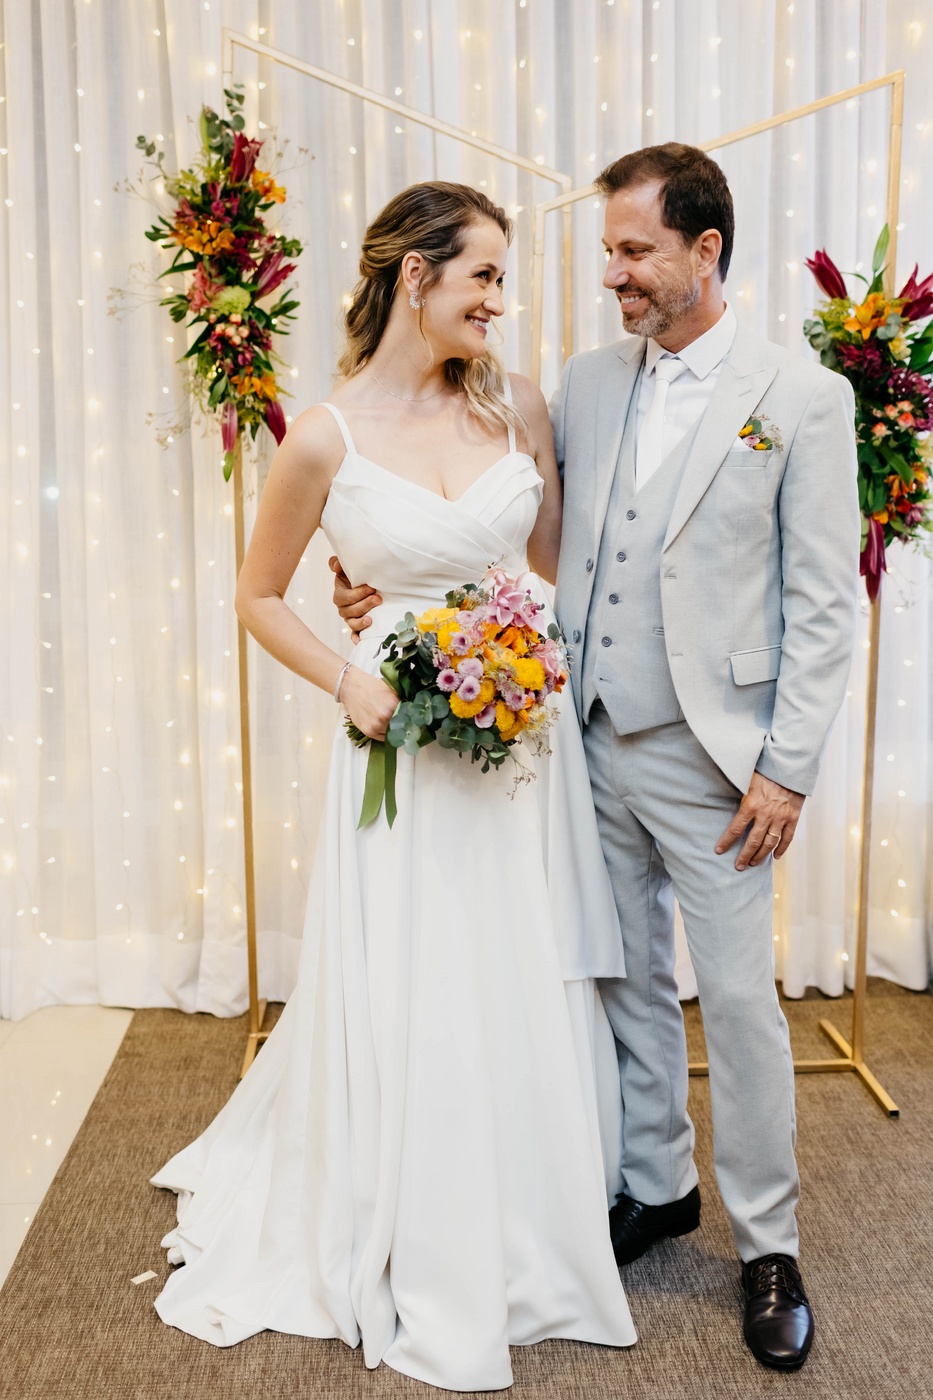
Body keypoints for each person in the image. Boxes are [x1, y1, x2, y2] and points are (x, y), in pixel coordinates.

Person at [334, 145, 860, 1373]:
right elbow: (520, 527)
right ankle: (655, 1181)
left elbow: (825, 604)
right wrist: (379, 586)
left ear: (705, 251)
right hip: (580, 742)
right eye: (608, 251)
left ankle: (769, 1242)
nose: (612, 275)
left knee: (737, 999)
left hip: (721, 763)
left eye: (634, 252)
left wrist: (785, 767)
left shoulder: (802, 398)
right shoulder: (583, 379)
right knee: (617, 975)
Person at [150, 181, 636, 1392]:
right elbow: (258, 595)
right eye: (482, 275)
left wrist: (519, 654)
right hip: (398, 749)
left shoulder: (519, 405)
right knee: (421, 968)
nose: (499, 299)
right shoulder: (324, 435)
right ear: (415, 276)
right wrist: (349, 675)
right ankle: (410, 1208)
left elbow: (547, 566)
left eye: (502, 277)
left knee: (517, 959)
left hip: (520, 745)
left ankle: (528, 1209)